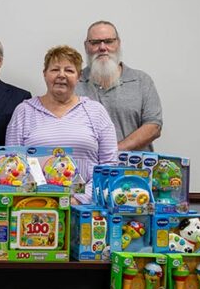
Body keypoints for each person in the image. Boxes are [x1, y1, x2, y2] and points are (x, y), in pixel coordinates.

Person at [6, 45, 118, 202]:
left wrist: (79, 198)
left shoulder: (96, 111)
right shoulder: (24, 111)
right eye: (55, 70)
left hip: (85, 210)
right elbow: (13, 163)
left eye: (69, 70)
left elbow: (109, 165)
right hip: (35, 207)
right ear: (44, 74)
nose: (61, 75)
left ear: (78, 76)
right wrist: (41, 200)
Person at [76, 20, 163, 151]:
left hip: (134, 169)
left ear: (118, 43)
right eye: (95, 42)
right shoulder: (74, 82)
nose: (102, 47)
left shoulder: (141, 81)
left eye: (109, 41)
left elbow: (153, 126)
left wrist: (113, 152)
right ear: (86, 46)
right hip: (87, 168)